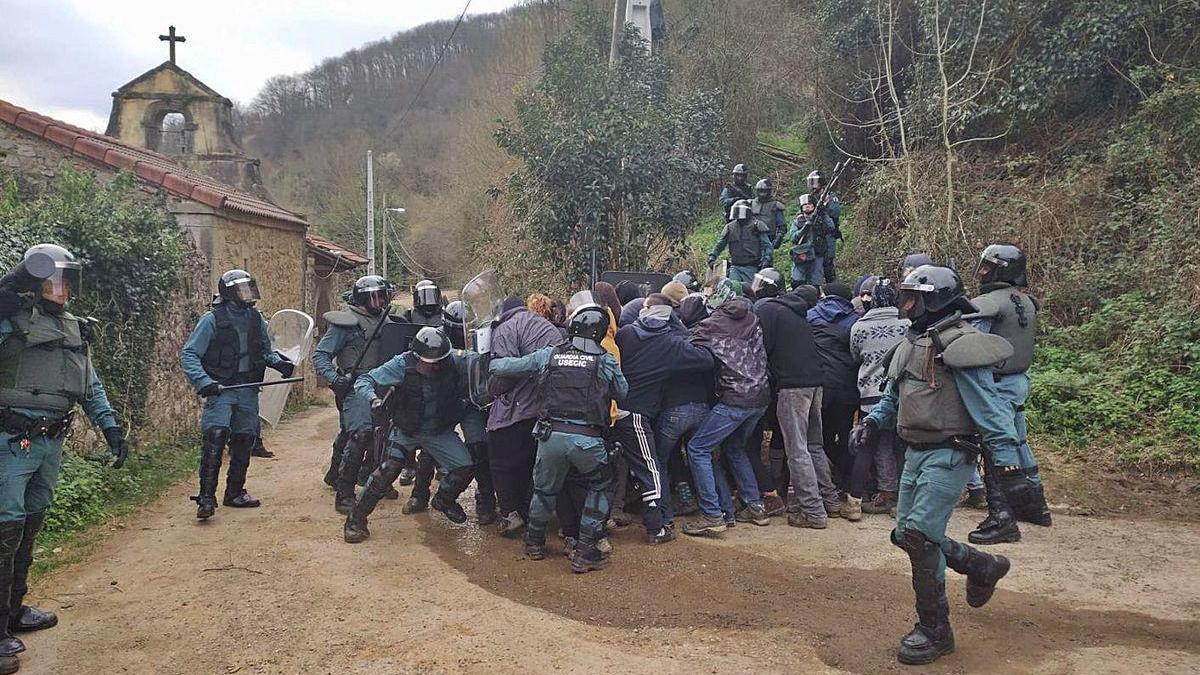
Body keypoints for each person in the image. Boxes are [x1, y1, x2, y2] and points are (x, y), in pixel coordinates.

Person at [852, 265, 1017, 665]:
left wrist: (1013, 467)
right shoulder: (913, 342)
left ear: (935, 298)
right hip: (915, 450)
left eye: (914, 297)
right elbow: (893, 395)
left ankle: (935, 630)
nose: (906, 304)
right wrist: (873, 422)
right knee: (905, 535)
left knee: (921, 537)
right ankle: (981, 565)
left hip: (951, 451)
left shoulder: (960, 344)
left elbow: (992, 408)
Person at [0, 245, 129, 671]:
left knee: (31, 523)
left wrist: (109, 426)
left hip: (51, 441)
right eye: (54, 278)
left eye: (68, 279)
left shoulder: (73, 328)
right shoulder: (11, 319)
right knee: (5, 527)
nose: (64, 287)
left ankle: (15, 610)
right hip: (10, 439)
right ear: (35, 281)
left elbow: (88, 384)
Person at [488, 299, 628, 573]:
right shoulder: (605, 360)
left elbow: (501, 368)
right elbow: (622, 393)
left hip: (549, 437)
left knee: (544, 490)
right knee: (601, 484)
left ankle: (534, 543)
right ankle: (586, 549)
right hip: (587, 439)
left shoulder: (548, 355)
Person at [343, 327, 478, 542]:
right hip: (406, 429)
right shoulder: (400, 364)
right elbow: (364, 381)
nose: (435, 367)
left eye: (439, 361)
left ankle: (444, 499)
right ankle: (356, 519)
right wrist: (373, 399)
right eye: (429, 362)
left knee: (465, 467)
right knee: (388, 470)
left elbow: (481, 361)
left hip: (438, 430)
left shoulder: (454, 360)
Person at [181, 269, 293, 520]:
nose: (248, 293)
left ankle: (234, 492)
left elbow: (265, 351)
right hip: (221, 389)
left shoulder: (256, 319)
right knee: (216, 437)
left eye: (249, 288)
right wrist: (204, 381)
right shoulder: (211, 320)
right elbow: (189, 354)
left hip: (248, 389)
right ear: (230, 292)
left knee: (245, 440)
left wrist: (279, 363)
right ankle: (206, 498)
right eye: (242, 289)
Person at [614, 294, 714, 543]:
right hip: (636, 416)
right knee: (652, 469)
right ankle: (657, 527)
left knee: (612, 467)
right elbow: (706, 359)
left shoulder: (625, 334)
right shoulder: (671, 344)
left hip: (613, 411)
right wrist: (679, 325)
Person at [968, 244, 1050, 545]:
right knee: (1019, 441)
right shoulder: (1027, 301)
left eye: (988, 267)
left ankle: (1002, 518)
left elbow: (971, 346)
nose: (984, 273)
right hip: (1018, 381)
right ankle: (1036, 505)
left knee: (996, 446)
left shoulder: (988, 303)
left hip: (997, 384)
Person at [681, 280, 772, 535]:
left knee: (698, 448)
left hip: (735, 398)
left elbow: (684, 344)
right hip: (761, 395)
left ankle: (712, 515)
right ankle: (755, 507)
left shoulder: (711, 325)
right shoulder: (752, 317)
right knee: (734, 448)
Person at [752, 275, 839, 529]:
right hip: (815, 383)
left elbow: (761, 350)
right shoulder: (793, 309)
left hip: (792, 387)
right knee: (814, 445)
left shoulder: (766, 309)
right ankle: (830, 501)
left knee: (797, 449)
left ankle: (813, 512)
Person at [403, 301, 498, 524]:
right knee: (430, 449)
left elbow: (485, 365)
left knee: (479, 448)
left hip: (471, 401)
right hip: (443, 401)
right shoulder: (434, 339)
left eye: (467, 326)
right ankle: (419, 494)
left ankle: (484, 500)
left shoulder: (479, 339)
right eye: (459, 327)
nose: (464, 331)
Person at [486, 296, 564, 536]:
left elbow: (504, 374)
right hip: (548, 409)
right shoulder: (545, 325)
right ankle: (532, 513)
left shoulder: (506, 328)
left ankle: (510, 514)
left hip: (519, 409)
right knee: (534, 464)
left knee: (501, 461)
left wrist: (490, 390)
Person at [312, 275, 397, 492]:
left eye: (382, 297)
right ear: (362, 299)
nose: (379, 303)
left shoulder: (386, 321)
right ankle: (345, 489)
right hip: (356, 384)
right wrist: (334, 378)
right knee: (361, 433)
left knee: (384, 434)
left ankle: (373, 479)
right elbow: (320, 355)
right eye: (374, 298)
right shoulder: (347, 323)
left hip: (382, 383)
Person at [848, 279, 909, 516]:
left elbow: (855, 356)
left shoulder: (858, 327)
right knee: (903, 445)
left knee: (879, 445)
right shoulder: (907, 324)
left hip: (870, 394)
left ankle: (886, 493)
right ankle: (905, 497)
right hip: (902, 393)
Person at [656, 293, 711, 519]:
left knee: (659, 460)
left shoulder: (663, 342)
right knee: (701, 454)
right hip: (702, 407)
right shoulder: (694, 339)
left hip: (673, 410)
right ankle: (719, 509)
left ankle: (665, 514)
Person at [807, 283, 859, 507]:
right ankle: (848, 480)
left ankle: (827, 484)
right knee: (845, 434)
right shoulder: (856, 320)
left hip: (821, 385)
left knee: (820, 438)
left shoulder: (810, 316)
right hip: (848, 386)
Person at [708, 200, 772, 284]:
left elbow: (767, 245)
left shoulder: (757, 226)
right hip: (735, 266)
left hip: (752, 266)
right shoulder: (730, 227)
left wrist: (767, 258)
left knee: (751, 291)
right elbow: (720, 244)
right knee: (733, 288)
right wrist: (712, 257)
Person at [787, 194, 835, 288]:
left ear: (814, 205)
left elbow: (831, 228)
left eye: (809, 204)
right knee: (797, 282)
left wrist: (823, 214)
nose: (807, 206)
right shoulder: (798, 221)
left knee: (815, 283)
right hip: (802, 254)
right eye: (805, 205)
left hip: (817, 254)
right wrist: (804, 228)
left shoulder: (821, 218)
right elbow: (793, 237)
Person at [806, 170, 843, 283]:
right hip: (814, 235)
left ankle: (831, 285)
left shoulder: (830, 197)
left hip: (828, 234)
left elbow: (836, 212)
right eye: (810, 182)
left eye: (815, 182)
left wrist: (826, 205)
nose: (813, 186)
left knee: (828, 262)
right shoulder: (810, 198)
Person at [749, 178, 787, 249]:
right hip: (752, 238)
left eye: (764, 191)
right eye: (760, 191)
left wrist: (778, 238)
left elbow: (782, 226)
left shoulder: (775, 205)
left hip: (769, 237)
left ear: (769, 191)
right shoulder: (750, 204)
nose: (762, 194)